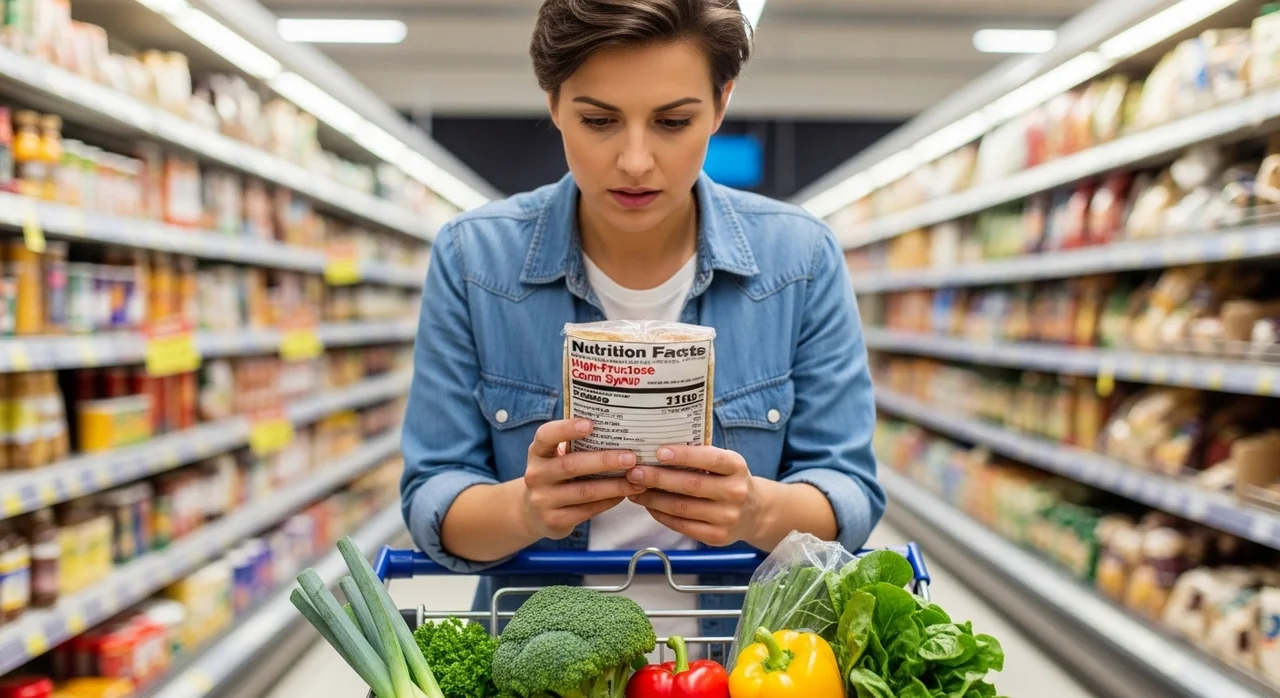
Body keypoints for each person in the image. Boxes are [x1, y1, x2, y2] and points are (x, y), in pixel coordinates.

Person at [400, 0, 885, 646]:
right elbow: (434, 495)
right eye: (599, 120)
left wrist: (755, 509)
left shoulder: (799, 260)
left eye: (672, 121)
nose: (634, 160)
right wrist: (525, 507)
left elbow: (847, 492)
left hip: (740, 668)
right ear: (553, 101)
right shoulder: (473, 260)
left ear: (721, 104)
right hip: (544, 669)